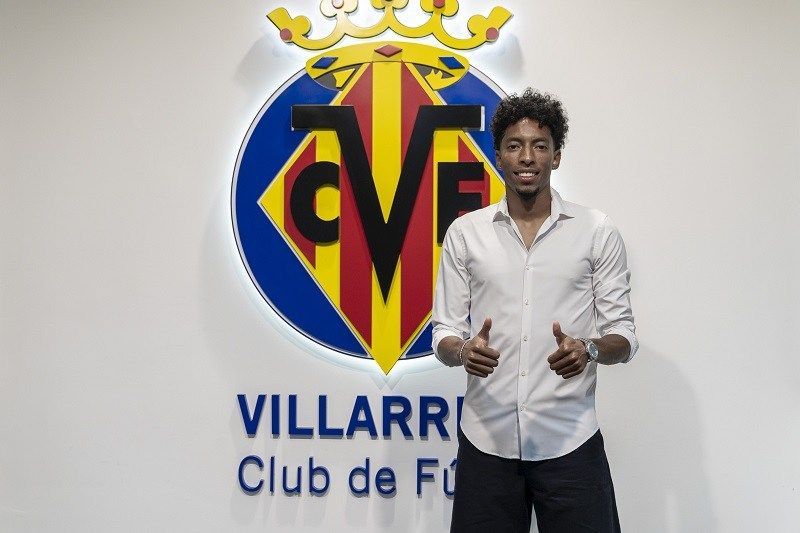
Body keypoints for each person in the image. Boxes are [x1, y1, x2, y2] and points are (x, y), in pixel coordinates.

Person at [432, 88, 638, 532]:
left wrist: (590, 348)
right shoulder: (465, 234)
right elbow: (444, 332)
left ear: (556, 156)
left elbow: (623, 335)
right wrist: (462, 351)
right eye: (515, 145)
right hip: (486, 442)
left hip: (570, 441)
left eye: (540, 146)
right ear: (498, 156)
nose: (527, 157)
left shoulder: (596, 231)